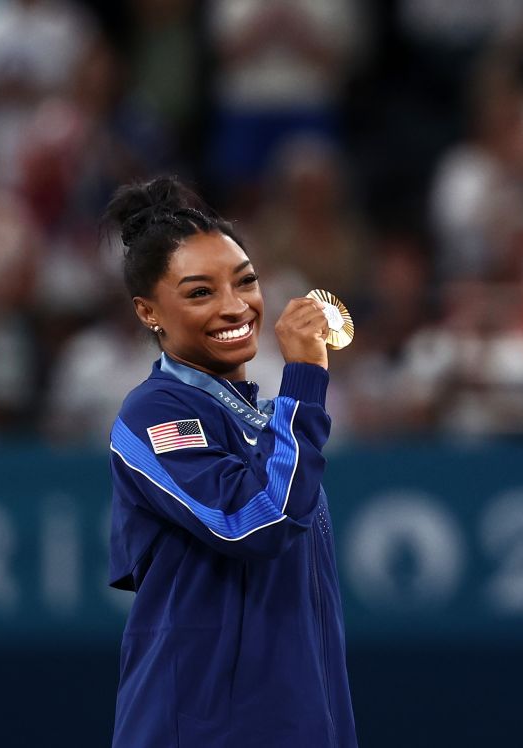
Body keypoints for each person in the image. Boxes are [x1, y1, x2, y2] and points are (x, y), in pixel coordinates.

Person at [103, 176, 357, 747]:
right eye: (199, 293)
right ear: (149, 312)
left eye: (246, 282)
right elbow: (256, 521)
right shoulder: (156, 412)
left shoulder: (269, 424)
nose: (235, 306)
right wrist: (304, 382)